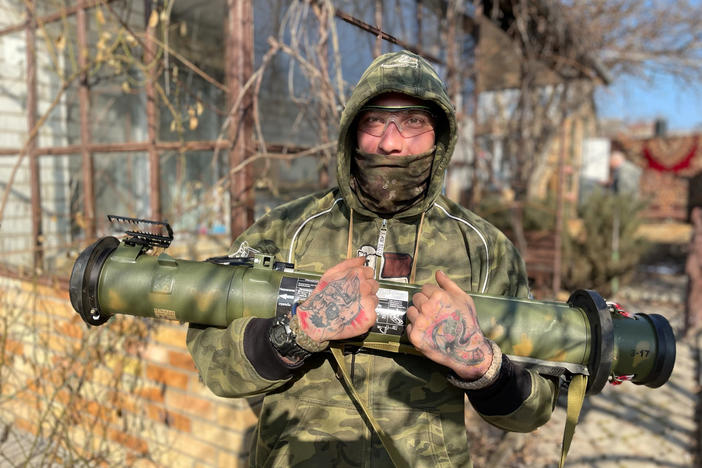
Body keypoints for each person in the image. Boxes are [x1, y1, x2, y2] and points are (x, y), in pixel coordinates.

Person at [187, 50, 558, 467]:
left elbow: (535, 408)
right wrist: (297, 333)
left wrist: (480, 363)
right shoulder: (287, 229)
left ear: (440, 134)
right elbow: (212, 361)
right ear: (352, 131)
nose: (390, 142)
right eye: (374, 120)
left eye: (414, 121)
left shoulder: (482, 248)